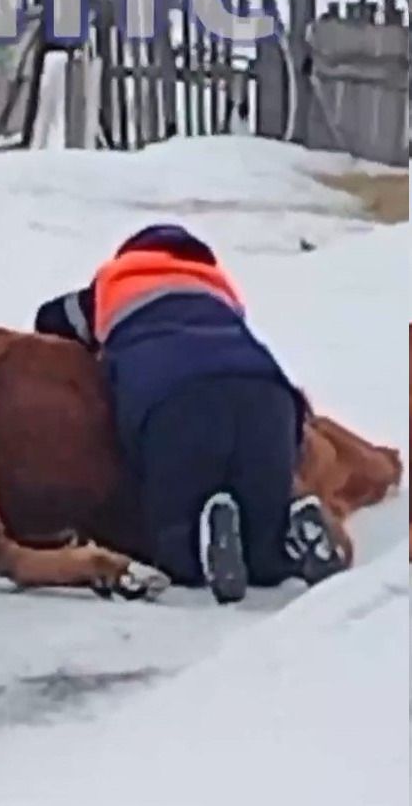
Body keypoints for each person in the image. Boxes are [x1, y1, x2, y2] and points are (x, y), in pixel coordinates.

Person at [34, 225, 349, 603]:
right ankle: (288, 531)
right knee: (264, 532)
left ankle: (201, 548)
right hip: (268, 392)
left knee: (173, 524)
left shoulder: (115, 282)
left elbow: (49, 320)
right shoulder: (218, 287)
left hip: (175, 400)